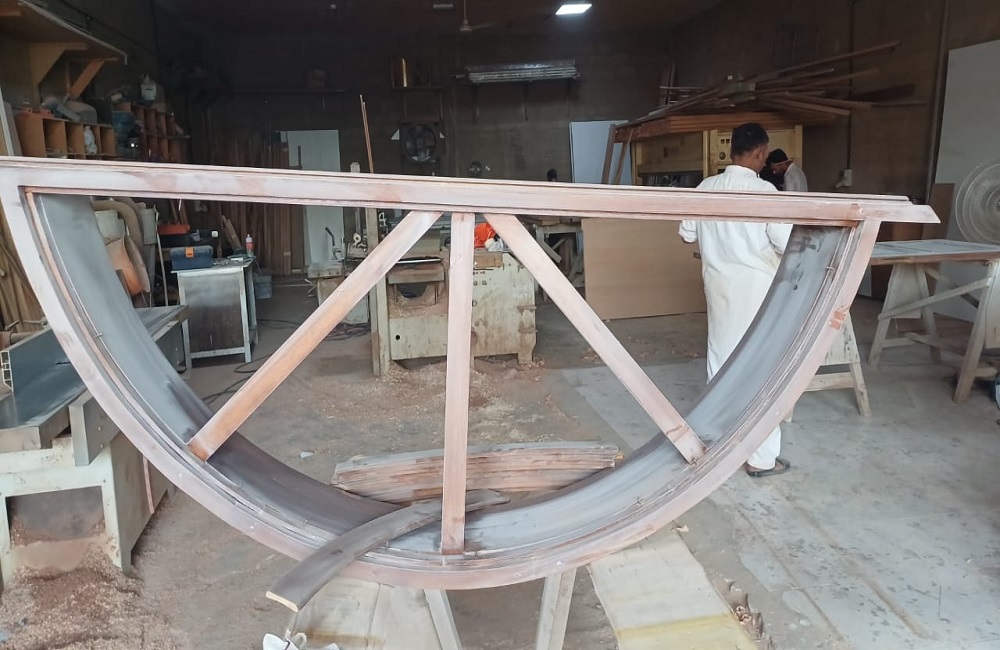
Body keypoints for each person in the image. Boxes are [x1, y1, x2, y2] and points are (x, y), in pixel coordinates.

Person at [678, 123, 791, 478]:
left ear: (731, 152)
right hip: (757, 290)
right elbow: (786, 243)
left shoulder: (706, 187)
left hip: (718, 285)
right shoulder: (765, 192)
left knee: (720, 362)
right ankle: (761, 458)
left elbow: (686, 234)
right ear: (760, 153)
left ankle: (718, 445)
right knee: (761, 370)